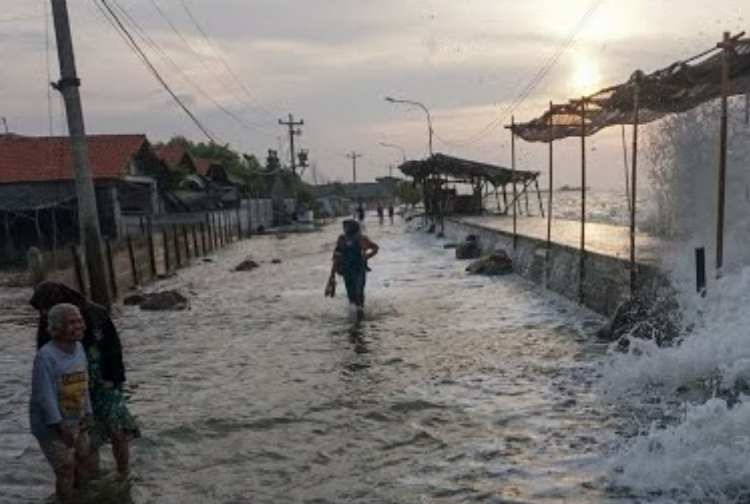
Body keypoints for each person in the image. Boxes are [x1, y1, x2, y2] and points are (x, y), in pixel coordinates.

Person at [31, 282, 140, 476]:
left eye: (47, 307)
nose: (44, 312)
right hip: (75, 386)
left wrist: (113, 378)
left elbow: (114, 348)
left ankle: (124, 474)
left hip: (105, 381)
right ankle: (93, 481)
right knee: (88, 437)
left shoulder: (95, 313)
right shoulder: (49, 319)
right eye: (42, 310)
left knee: (117, 429)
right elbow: (45, 357)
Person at [29, 303, 94, 500]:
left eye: (79, 321)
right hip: (51, 424)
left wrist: (89, 412)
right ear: (55, 329)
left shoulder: (80, 348)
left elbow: (83, 383)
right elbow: (44, 395)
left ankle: (83, 498)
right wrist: (60, 426)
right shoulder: (45, 356)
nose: (79, 326)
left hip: (77, 418)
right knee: (65, 468)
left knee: (84, 459)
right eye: (71, 322)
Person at [329, 219, 379, 317]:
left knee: (359, 292)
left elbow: (375, 247)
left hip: (359, 270)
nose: (344, 229)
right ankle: (353, 315)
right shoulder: (341, 239)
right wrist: (332, 275)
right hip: (347, 271)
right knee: (351, 296)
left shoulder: (361, 238)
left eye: (346, 227)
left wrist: (367, 256)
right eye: (344, 227)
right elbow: (336, 257)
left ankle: (361, 314)